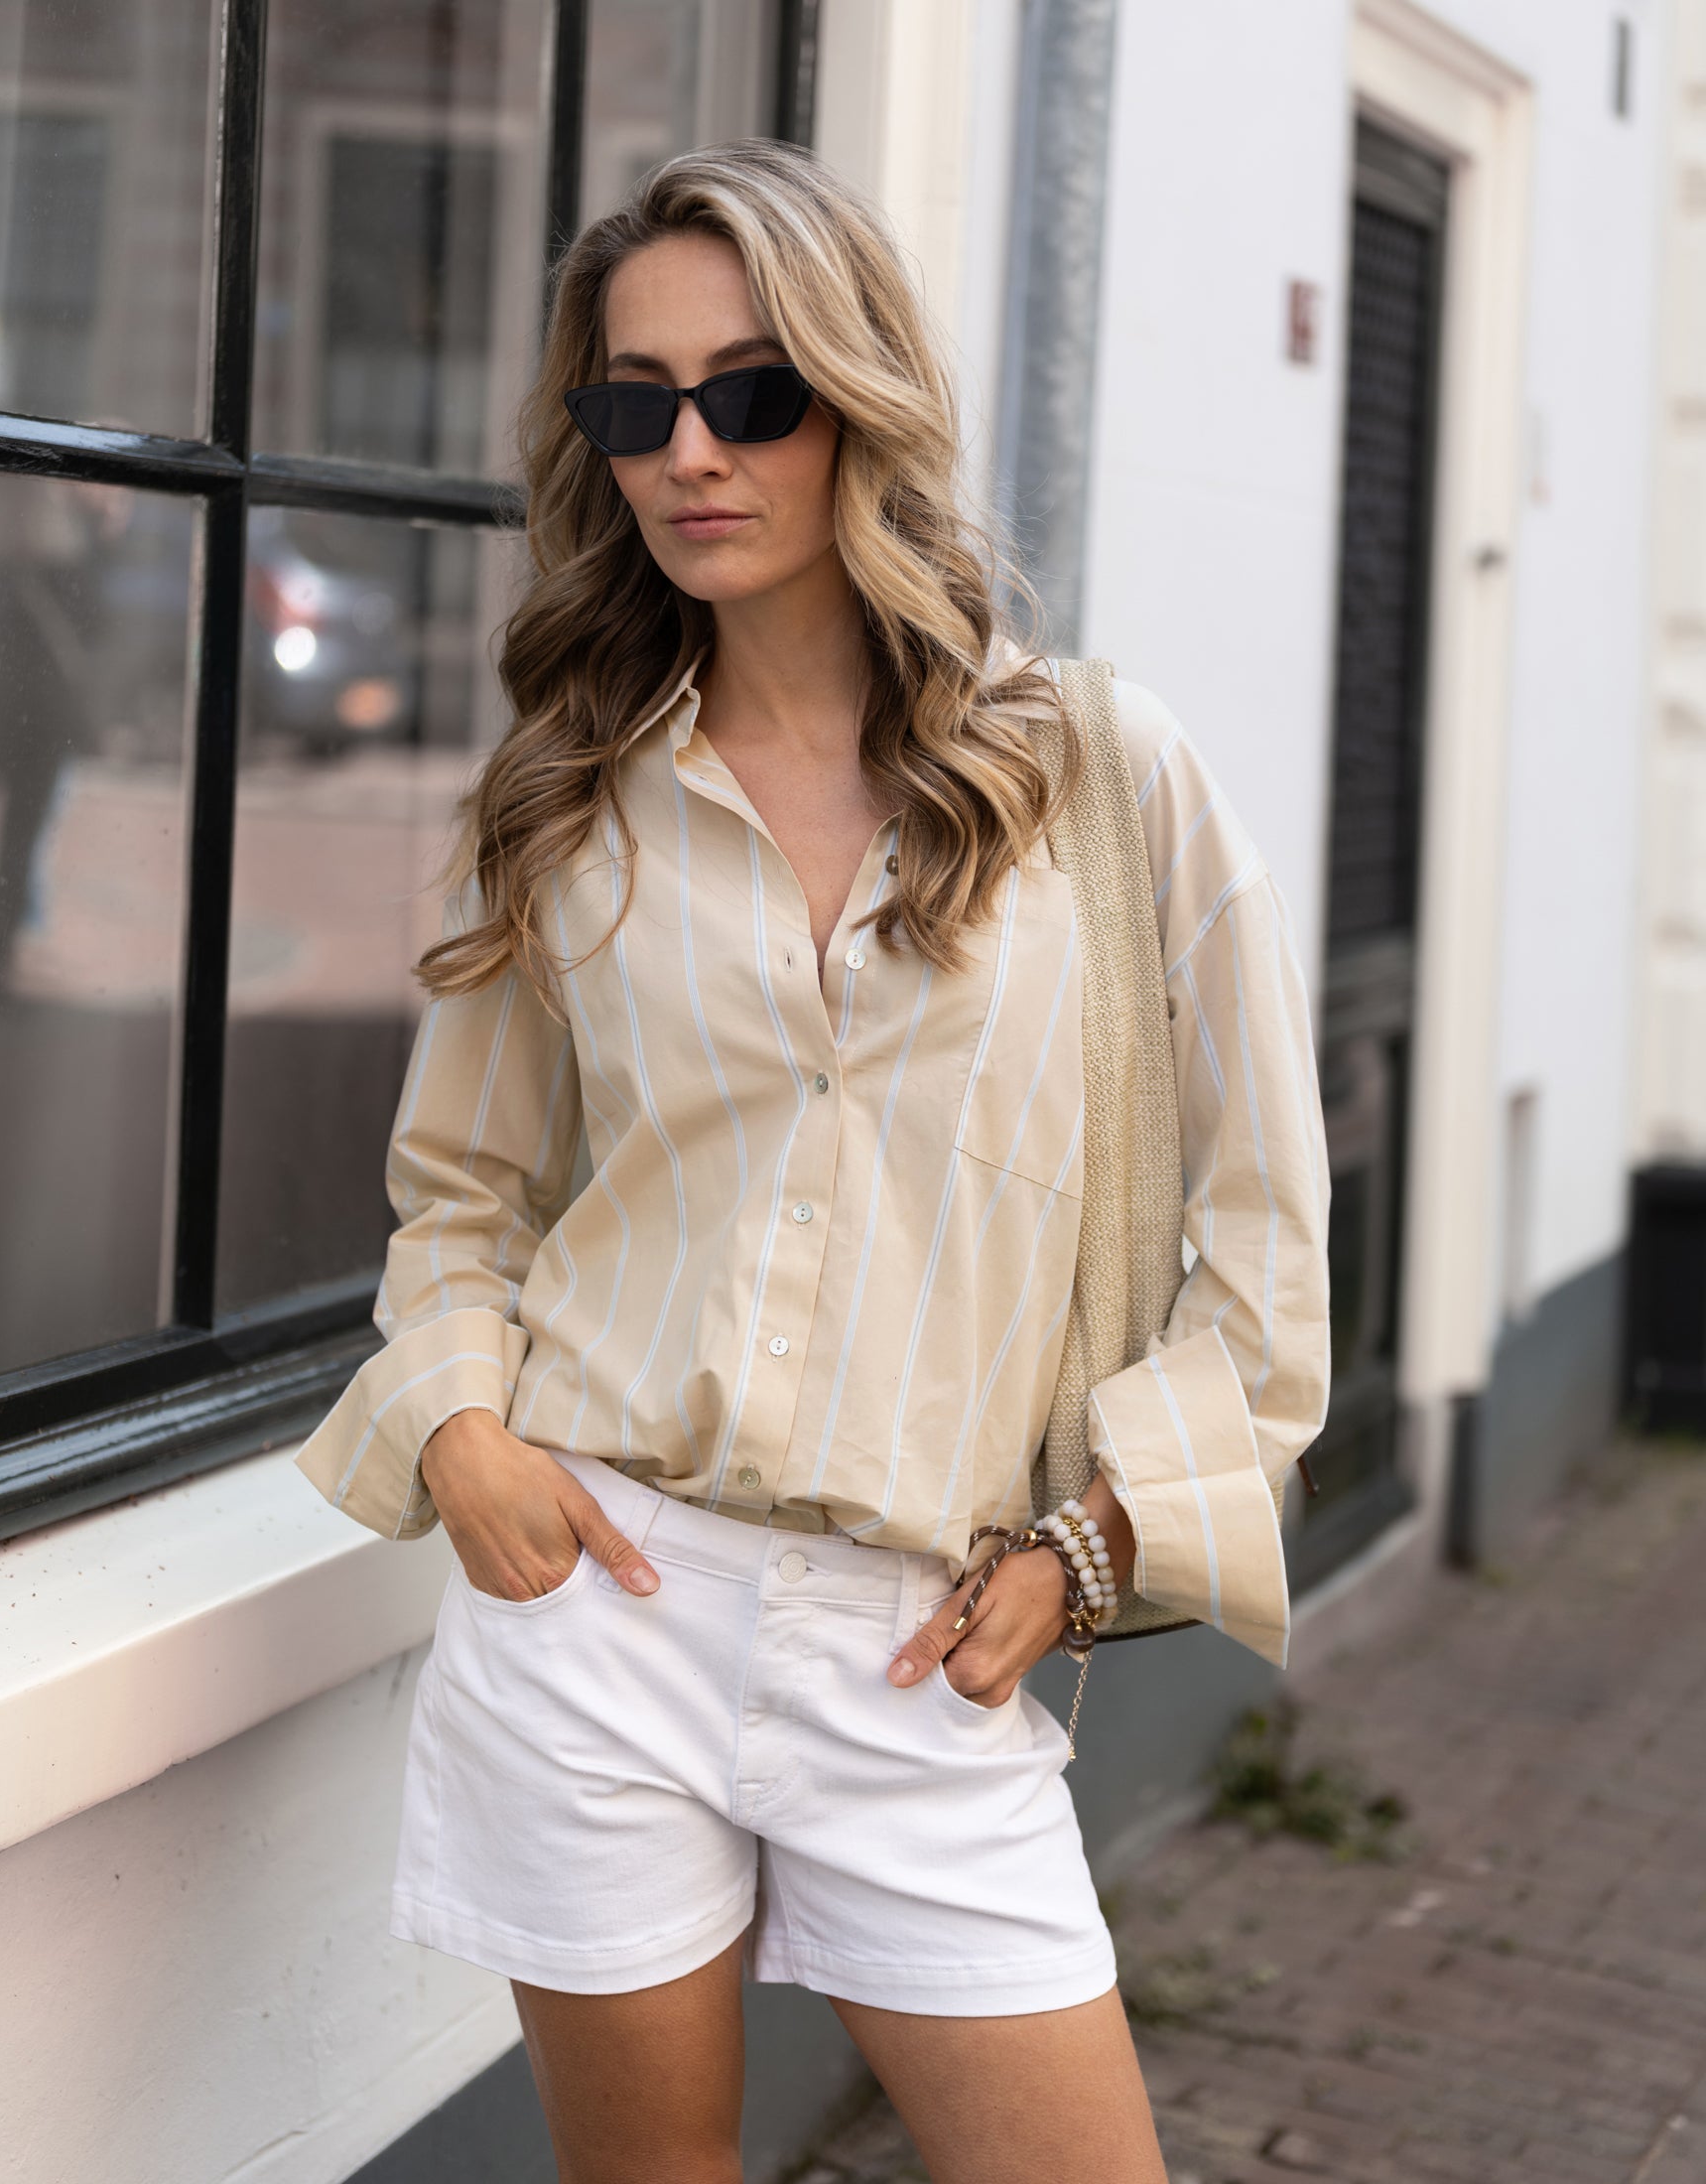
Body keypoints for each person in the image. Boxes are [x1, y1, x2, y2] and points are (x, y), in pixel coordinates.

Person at [296, 138, 1330, 2184]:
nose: (693, 448)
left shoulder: (1101, 776)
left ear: (856, 394)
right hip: (599, 1596)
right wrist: (468, 1441)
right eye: (635, 402)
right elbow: (463, 1194)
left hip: (925, 1644)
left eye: (750, 389)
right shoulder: (572, 801)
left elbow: (1267, 1244)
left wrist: (1091, 1547)